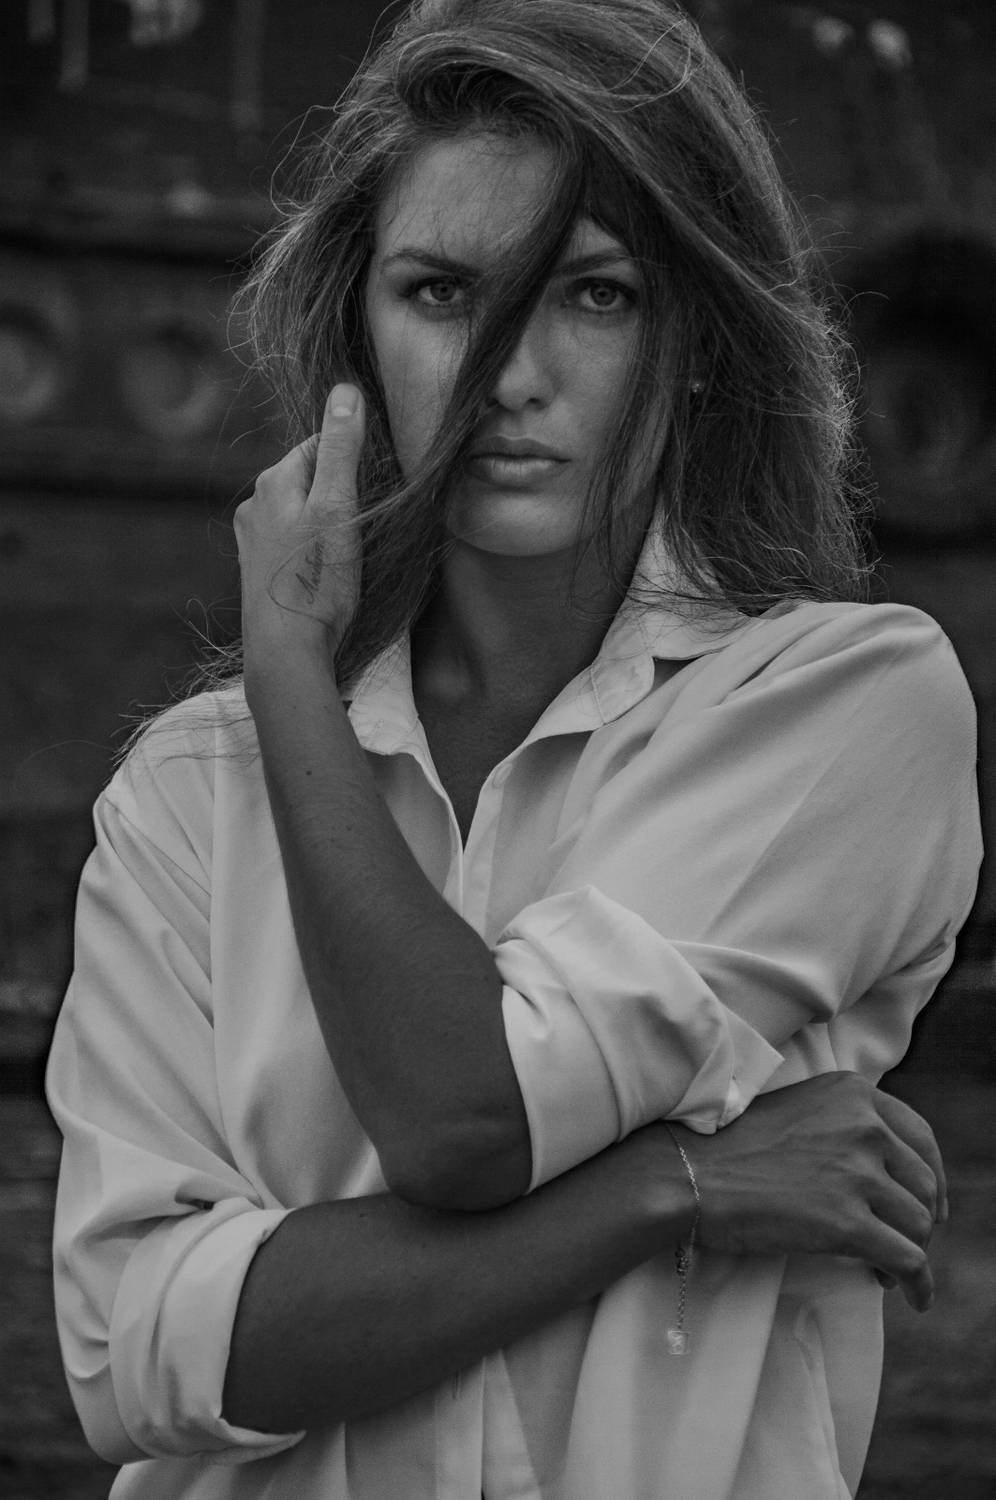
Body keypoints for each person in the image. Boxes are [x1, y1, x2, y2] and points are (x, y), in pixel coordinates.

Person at [47, 1, 982, 1497]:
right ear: (357, 332)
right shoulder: (189, 789)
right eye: (440, 292)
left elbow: (464, 1115)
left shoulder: (839, 704)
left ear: (696, 339)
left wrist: (289, 683)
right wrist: (678, 1185)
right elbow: (139, 1357)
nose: (506, 372)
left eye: (595, 295)